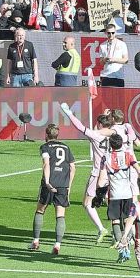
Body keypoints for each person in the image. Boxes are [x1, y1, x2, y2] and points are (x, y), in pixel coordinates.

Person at [60, 103, 113, 242]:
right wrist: (105, 115)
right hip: (111, 173)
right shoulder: (113, 133)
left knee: (87, 203)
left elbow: (80, 127)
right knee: (112, 202)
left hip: (97, 173)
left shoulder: (96, 135)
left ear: (100, 124)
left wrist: (69, 113)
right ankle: (121, 233)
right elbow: (98, 130)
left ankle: (102, 229)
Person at [28, 124, 76, 255]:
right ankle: (57, 244)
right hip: (63, 185)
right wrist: (69, 186)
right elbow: (72, 167)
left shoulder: (45, 147)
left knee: (40, 210)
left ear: (46, 135)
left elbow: (46, 163)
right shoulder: (66, 147)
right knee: (60, 214)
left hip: (49, 184)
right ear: (57, 135)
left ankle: (36, 241)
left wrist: (48, 181)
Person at [101, 133, 140, 262]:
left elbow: (102, 179)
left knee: (115, 221)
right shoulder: (128, 155)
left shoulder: (106, 157)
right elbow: (139, 170)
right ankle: (127, 245)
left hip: (114, 194)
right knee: (127, 221)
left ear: (111, 145)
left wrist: (99, 192)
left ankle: (122, 248)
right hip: (128, 193)